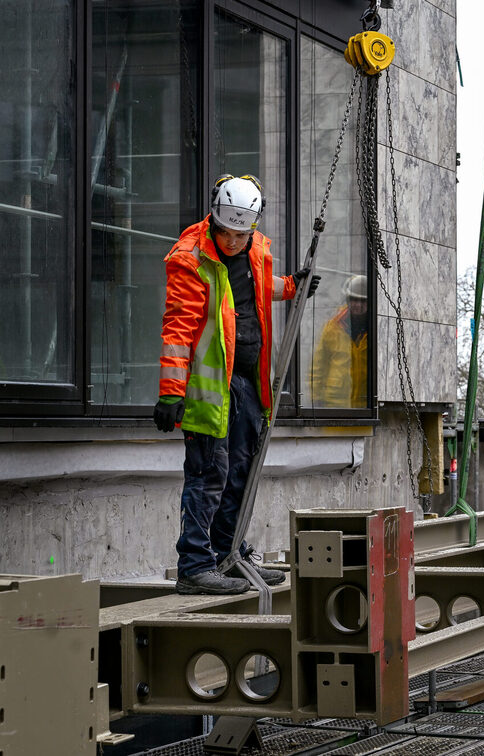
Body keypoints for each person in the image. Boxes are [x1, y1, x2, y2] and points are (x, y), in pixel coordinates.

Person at [154, 174, 320, 595]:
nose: (231, 242)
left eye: (240, 235)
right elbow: (178, 328)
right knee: (209, 474)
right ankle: (195, 565)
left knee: (240, 474)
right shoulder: (191, 257)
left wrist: (292, 287)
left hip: (247, 381)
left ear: (252, 227)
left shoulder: (255, 248)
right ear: (214, 219)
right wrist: (171, 392)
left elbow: (253, 289)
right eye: (225, 233)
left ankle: (228, 555)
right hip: (210, 388)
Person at [310, 274, 368, 408]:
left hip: (364, 406)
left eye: (363, 301)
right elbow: (319, 365)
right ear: (348, 300)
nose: (358, 305)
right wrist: (316, 397)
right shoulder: (332, 327)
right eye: (354, 299)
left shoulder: (376, 328)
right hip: (335, 404)